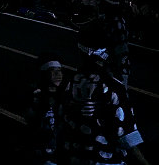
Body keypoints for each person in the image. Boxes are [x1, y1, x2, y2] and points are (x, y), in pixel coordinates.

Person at [59, 29, 151, 165]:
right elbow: (125, 133)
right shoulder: (113, 87)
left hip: (76, 157)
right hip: (105, 159)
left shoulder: (68, 82)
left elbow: (61, 121)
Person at [23, 52, 66, 165]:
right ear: (44, 73)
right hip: (42, 152)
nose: (58, 74)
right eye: (53, 71)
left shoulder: (64, 95)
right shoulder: (36, 95)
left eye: (59, 70)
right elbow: (30, 118)